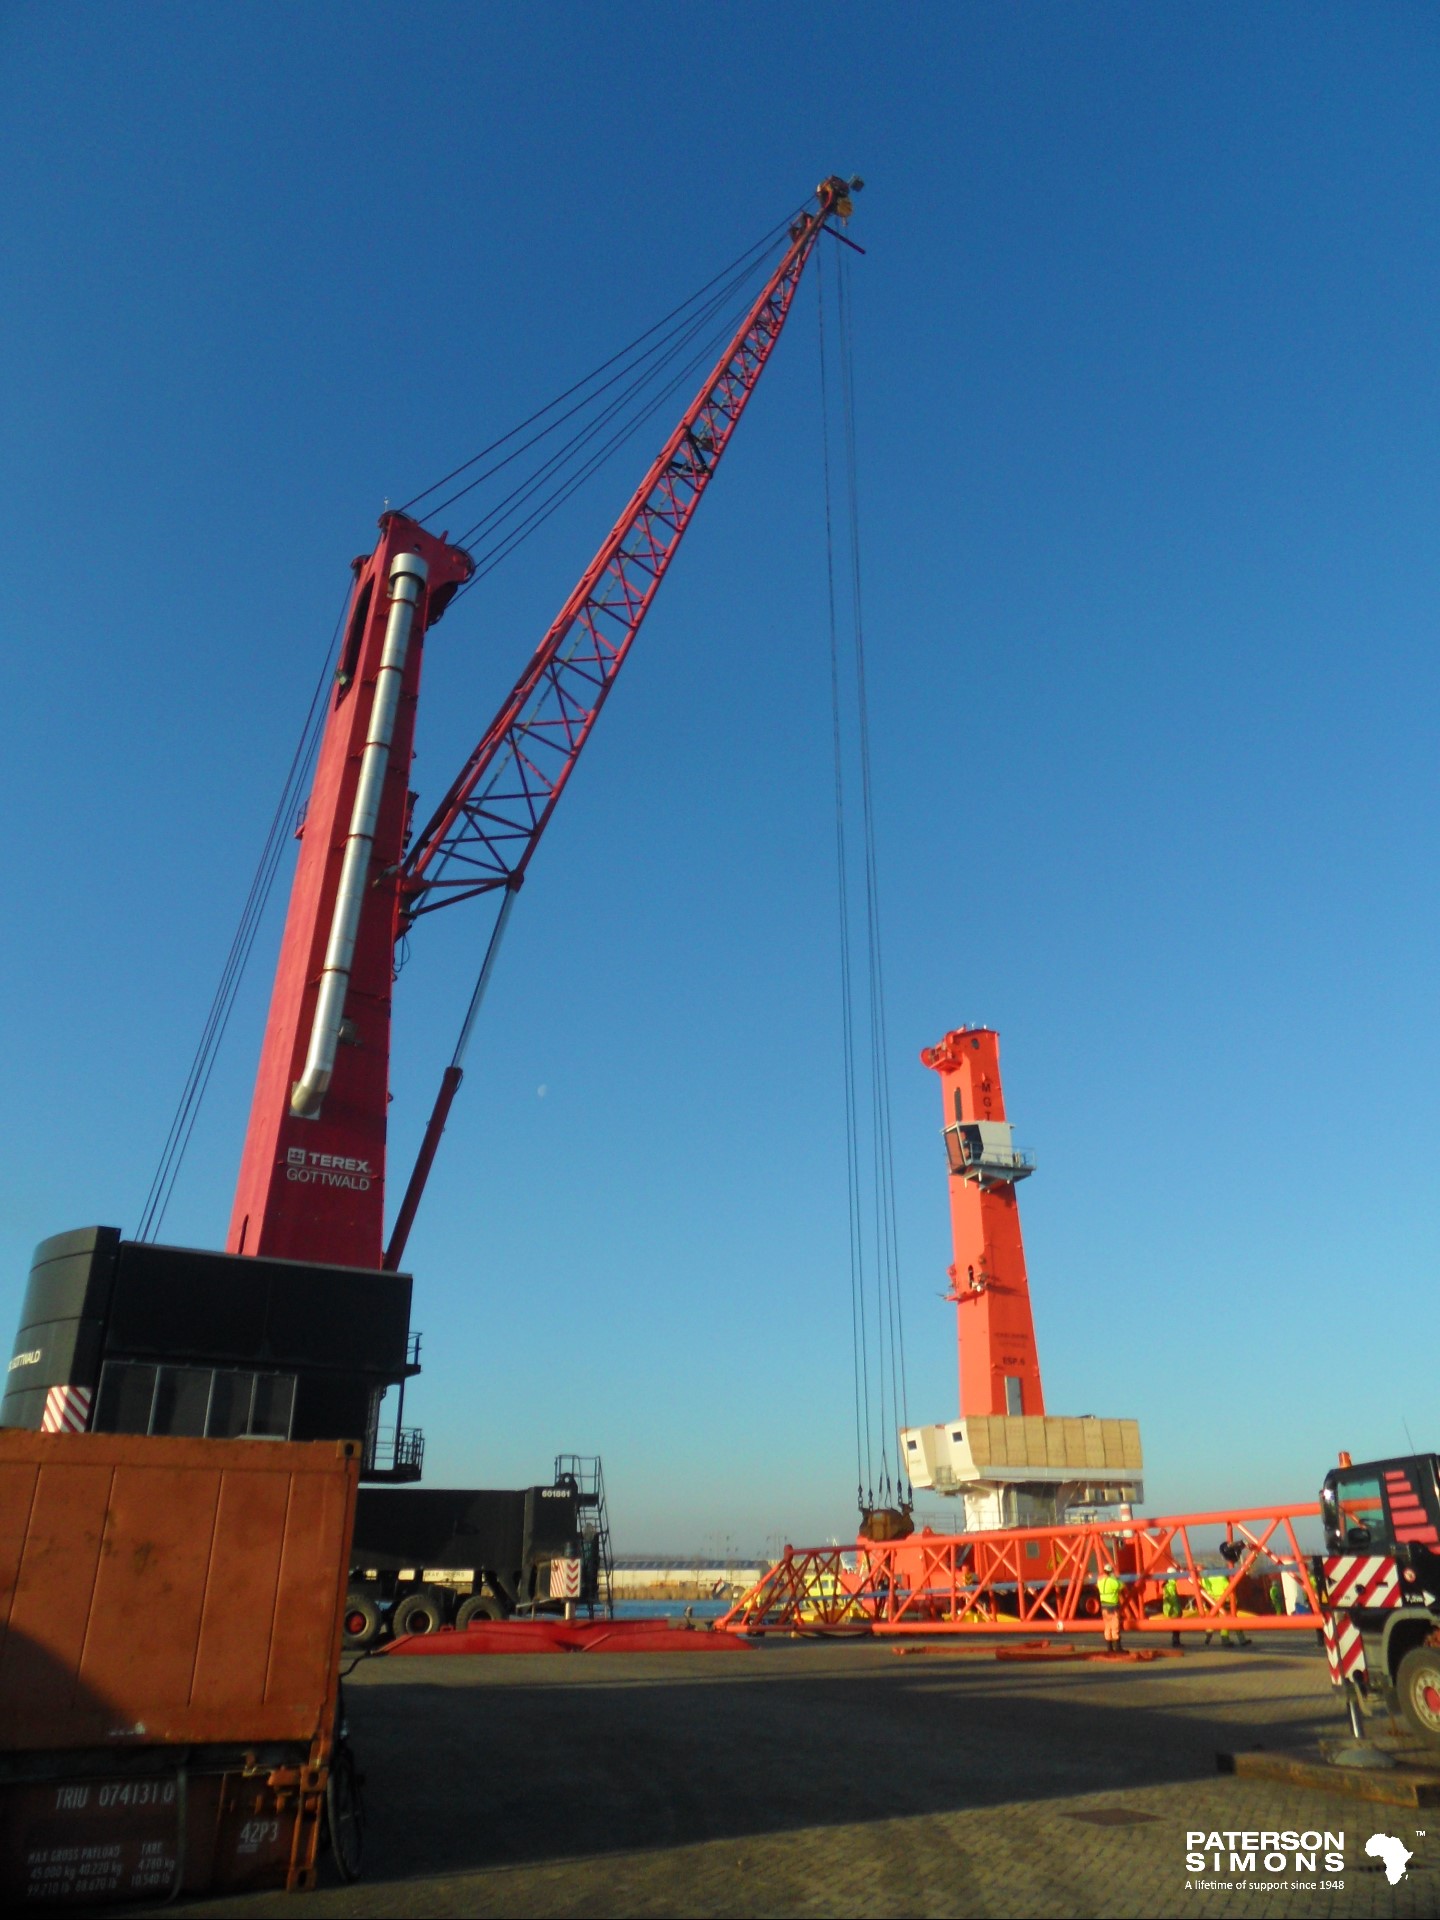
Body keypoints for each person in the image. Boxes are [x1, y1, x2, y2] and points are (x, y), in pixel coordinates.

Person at [1098, 1561, 1124, 1655]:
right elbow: (1121, 1586)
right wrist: (1116, 1578)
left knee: (1107, 1627)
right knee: (1115, 1626)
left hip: (1103, 1606)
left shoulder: (1100, 1581)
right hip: (1112, 1607)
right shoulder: (1112, 1581)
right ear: (1111, 1571)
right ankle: (1118, 1647)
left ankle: (1109, 1648)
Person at [1161, 1576, 1183, 1649]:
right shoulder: (1171, 1586)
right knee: (1176, 1627)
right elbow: (1174, 1599)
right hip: (1174, 1609)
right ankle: (1175, 1642)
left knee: (1176, 1627)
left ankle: (1176, 1641)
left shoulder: (1167, 1586)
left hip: (1172, 1609)